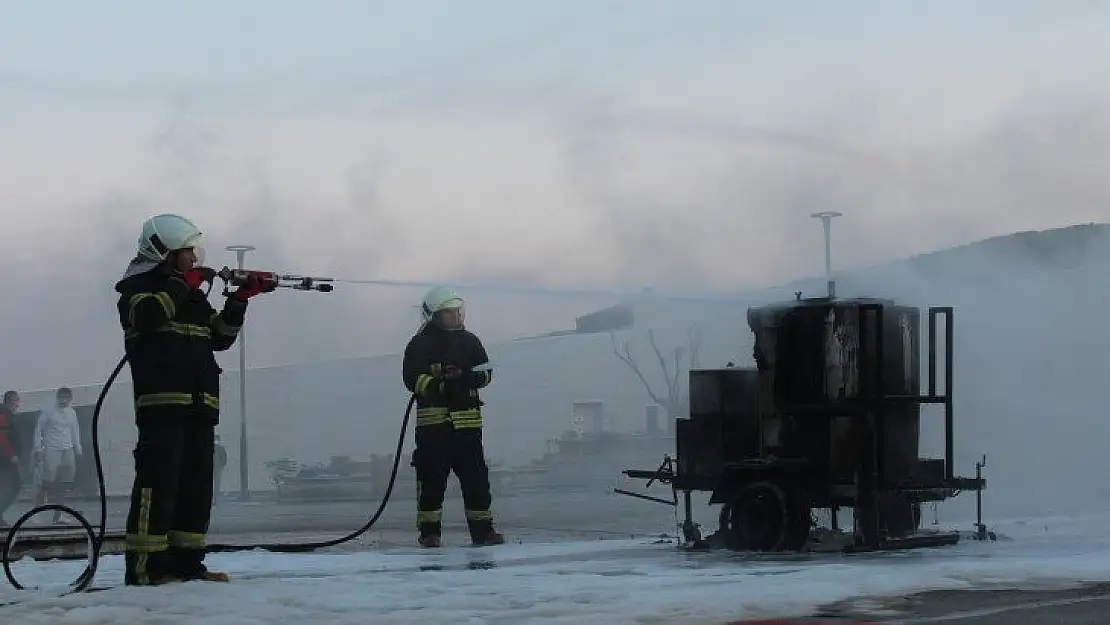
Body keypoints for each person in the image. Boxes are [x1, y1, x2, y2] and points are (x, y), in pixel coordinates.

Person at [114, 213, 269, 586]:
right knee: (159, 484)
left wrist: (239, 300)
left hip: (201, 404)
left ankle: (187, 565)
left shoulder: (191, 292)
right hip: (161, 404)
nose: (195, 260)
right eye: (187, 253)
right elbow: (149, 317)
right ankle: (146, 568)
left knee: (196, 486)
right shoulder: (137, 289)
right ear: (164, 252)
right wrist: (185, 285)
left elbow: (220, 338)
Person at [402, 286, 504, 548]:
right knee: (432, 481)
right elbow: (412, 379)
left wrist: (466, 377)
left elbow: (487, 373)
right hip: (434, 429)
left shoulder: (471, 341)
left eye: (457, 312)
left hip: (468, 428)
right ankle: (430, 534)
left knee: (477, 481)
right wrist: (440, 386)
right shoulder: (419, 345)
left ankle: (483, 531)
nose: (455, 317)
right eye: (448, 313)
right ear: (434, 315)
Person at [31, 387, 82, 524]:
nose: (64, 400)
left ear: (70, 399)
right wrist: (38, 449)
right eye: (61, 397)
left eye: (66, 397)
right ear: (57, 397)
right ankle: (36, 512)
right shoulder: (48, 411)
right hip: (52, 449)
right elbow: (38, 429)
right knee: (47, 482)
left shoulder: (72, 412)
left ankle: (58, 515)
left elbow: (74, 431)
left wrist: (78, 449)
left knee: (65, 484)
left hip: (68, 449)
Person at [0, 390, 22, 527]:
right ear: (10, 401)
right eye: (17, 401)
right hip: (5, 459)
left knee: (5, 486)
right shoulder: (3, 415)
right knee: (14, 486)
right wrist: (11, 455)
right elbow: (2, 438)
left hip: (5, 459)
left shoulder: (8, 415)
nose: (18, 404)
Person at [212, 435, 227, 504]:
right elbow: (224, 458)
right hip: (218, 468)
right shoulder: (221, 448)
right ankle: (215, 498)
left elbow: (224, 458)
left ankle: (214, 498)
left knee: (215, 484)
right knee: (217, 484)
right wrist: (222, 465)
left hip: (215, 468)